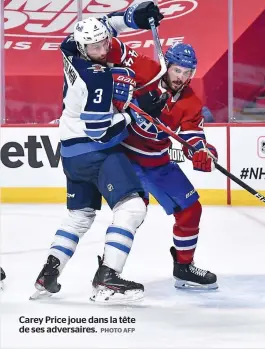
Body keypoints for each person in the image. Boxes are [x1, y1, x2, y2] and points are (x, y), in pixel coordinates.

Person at [32, 2, 163, 303]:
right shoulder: (97, 78)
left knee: (79, 216)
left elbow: (107, 23)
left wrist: (134, 17)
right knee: (132, 208)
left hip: (71, 153)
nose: (103, 50)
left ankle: (48, 273)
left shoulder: (68, 48)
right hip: (94, 152)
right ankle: (107, 279)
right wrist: (136, 115)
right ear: (84, 48)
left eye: (103, 42)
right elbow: (99, 131)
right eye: (95, 47)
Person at [121, 43, 218, 289]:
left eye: (187, 73)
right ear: (167, 66)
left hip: (157, 162)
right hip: (124, 158)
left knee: (191, 209)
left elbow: (192, 135)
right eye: (177, 71)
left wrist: (201, 151)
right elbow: (112, 53)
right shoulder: (146, 72)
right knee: (131, 214)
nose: (181, 78)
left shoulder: (191, 101)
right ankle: (108, 273)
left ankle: (184, 266)